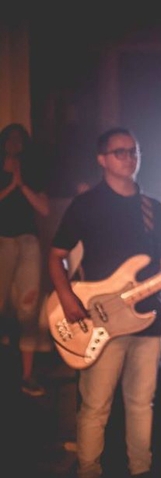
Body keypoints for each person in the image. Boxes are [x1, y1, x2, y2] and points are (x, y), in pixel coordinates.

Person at [47, 127, 161, 478]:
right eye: (121, 152)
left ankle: (140, 471)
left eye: (134, 151)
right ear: (102, 159)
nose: (130, 157)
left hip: (148, 318)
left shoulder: (152, 208)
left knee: (141, 404)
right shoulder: (86, 204)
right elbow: (56, 257)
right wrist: (68, 300)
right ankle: (89, 471)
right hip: (97, 318)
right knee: (95, 406)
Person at [0, 123, 50, 397]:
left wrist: (23, 185)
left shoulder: (33, 173)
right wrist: (11, 185)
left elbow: (44, 208)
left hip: (29, 242)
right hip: (2, 241)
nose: (15, 144)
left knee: (28, 308)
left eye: (20, 140)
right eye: (10, 139)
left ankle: (27, 375)